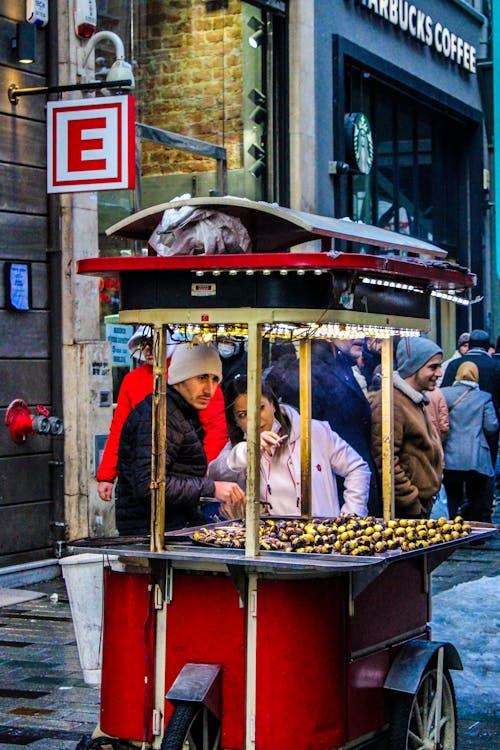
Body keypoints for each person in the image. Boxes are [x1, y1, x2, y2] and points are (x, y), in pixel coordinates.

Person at [117, 342, 245, 534]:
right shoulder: (161, 416)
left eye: (214, 380)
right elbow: (150, 485)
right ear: (181, 377)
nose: (209, 389)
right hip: (150, 535)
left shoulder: (179, 412)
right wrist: (211, 488)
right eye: (202, 378)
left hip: (169, 528)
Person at [96, 326, 228, 502]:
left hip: (181, 485)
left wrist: (201, 475)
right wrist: (107, 475)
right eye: (144, 344)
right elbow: (119, 428)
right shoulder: (132, 380)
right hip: (145, 484)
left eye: (153, 343)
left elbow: (216, 430)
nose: (148, 349)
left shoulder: (193, 374)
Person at [208, 376, 370, 518]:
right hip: (270, 545)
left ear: (272, 403)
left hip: (321, 540)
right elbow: (215, 472)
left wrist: (351, 515)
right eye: (243, 415)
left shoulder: (314, 431)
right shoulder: (239, 447)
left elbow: (357, 468)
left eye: (260, 407)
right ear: (235, 420)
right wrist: (247, 451)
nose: (254, 419)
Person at [266, 338, 380, 515]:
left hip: (356, 488)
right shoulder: (307, 372)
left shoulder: (342, 367)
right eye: (346, 329)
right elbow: (302, 448)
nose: (359, 336)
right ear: (327, 333)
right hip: (334, 498)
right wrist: (349, 514)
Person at [370, 337, 444, 518]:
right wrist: (411, 501)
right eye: (433, 367)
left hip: (421, 505)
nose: (439, 373)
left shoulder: (412, 399)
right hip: (409, 511)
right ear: (414, 367)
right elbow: (385, 460)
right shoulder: (391, 403)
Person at [441, 361, 498, 522]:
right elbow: (491, 426)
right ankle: (475, 533)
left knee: (452, 496)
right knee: (476, 497)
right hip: (476, 456)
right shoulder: (484, 397)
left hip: (450, 454)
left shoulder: (443, 393)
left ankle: (450, 529)